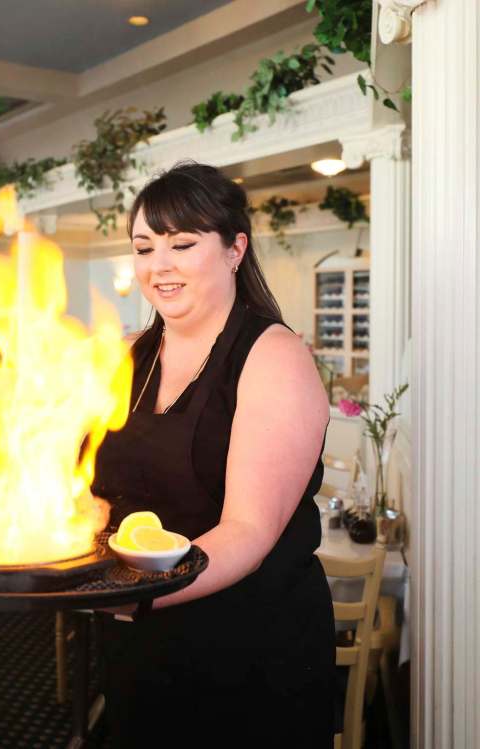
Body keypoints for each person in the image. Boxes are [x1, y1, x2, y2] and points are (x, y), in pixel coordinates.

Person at [92, 161, 335, 746]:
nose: (159, 266)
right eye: (145, 248)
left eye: (182, 243)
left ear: (234, 249)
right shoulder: (126, 355)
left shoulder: (273, 356)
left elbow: (248, 531)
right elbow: (90, 487)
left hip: (247, 646)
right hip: (139, 639)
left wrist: (131, 594)